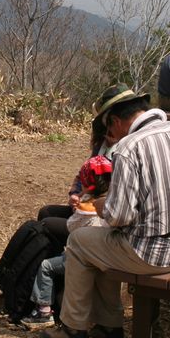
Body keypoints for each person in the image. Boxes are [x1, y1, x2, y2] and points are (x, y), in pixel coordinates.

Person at [40, 87, 170, 338]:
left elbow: (119, 216)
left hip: (151, 254)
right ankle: (108, 327)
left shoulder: (129, 148)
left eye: (109, 130)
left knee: (80, 241)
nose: (110, 137)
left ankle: (72, 330)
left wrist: (103, 205)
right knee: (101, 245)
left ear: (115, 121)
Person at [23, 156, 113, 326]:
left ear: (86, 183)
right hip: (106, 254)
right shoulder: (113, 201)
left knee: (46, 266)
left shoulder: (86, 208)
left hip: (83, 256)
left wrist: (77, 206)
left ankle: (43, 312)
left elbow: (71, 226)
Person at [35, 85, 123, 244]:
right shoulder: (100, 146)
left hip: (99, 216)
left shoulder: (125, 151)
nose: (107, 131)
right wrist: (75, 195)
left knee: (46, 225)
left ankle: (59, 261)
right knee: (46, 212)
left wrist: (88, 200)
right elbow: (84, 175)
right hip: (86, 205)